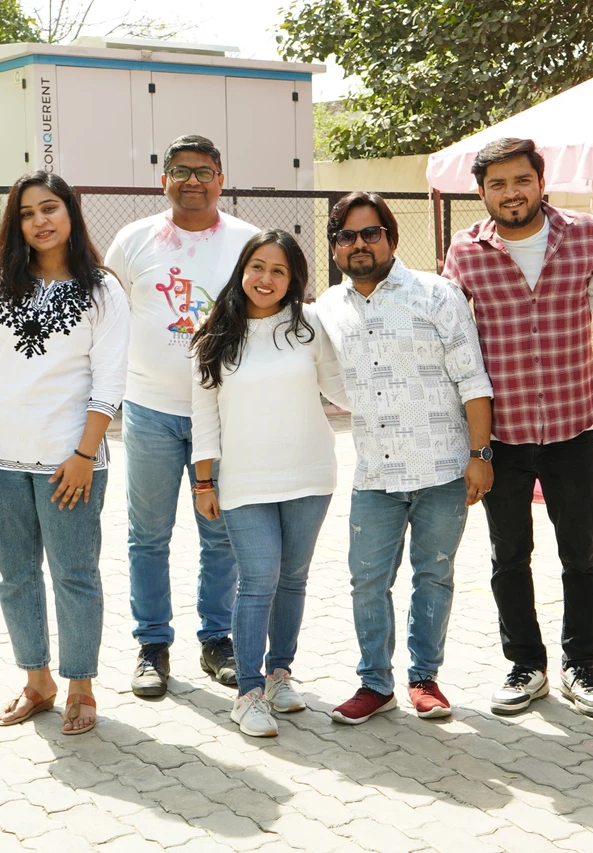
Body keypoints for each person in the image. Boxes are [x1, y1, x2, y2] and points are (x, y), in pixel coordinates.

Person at [441, 139, 593, 718]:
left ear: (540, 182)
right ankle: (526, 665)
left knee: (582, 553)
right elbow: (448, 337)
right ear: (481, 193)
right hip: (504, 436)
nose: (511, 193)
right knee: (508, 556)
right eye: (496, 184)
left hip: (572, 428)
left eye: (520, 180)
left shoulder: (584, 234)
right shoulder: (465, 253)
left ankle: (582, 666)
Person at [0, 171, 129, 736]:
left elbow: (109, 381)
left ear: (71, 213)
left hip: (69, 464)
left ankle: (81, 686)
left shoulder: (103, 289)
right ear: (16, 223)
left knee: (74, 574)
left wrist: (84, 453)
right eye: (27, 213)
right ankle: (38, 681)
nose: (40, 221)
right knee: (16, 576)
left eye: (49, 208)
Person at [313, 191, 494, 725]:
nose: (360, 244)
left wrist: (480, 454)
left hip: (442, 467)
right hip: (374, 473)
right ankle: (374, 682)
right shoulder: (327, 309)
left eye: (371, 233)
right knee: (367, 580)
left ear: (392, 237)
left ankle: (424, 679)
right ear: (336, 246)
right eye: (347, 235)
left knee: (433, 575)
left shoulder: (436, 295)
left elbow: (472, 378)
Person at [104, 135, 260, 697]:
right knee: (148, 535)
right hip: (149, 410)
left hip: (221, 412)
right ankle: (152, 646)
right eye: (179, 171)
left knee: (220, 533)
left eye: (203, 171)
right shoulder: (132, 241)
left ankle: (217, 638)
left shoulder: (246, 241)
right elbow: (105, 312)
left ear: (221, 178)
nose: (192, 181)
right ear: (162, 179)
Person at [189, 229, 348, 737]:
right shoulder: (213, 336)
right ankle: (248, 693)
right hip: (245, 480)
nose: (266, 278)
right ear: (242, 269)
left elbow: (340, 387)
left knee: (293, 579)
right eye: (258, 266)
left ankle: (281, 674)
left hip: (309, 472)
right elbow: (204, 417)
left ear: (293, 279)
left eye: (279, 270)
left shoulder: (308, 325)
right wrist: (204, 483)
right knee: (258, 581)